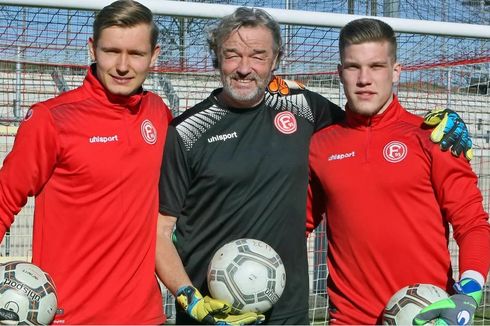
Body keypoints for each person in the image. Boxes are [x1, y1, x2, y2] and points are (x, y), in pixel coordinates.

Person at [155, 7, 473, 325]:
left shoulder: (306, 109)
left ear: (276, 59)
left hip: (289, 313)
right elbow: (159, 230)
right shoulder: (185, 131)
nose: (244, 68)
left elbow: (365, 128)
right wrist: (189, 298)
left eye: (258, 55)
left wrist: (439, 123)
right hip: (213, 312)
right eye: (232, 55)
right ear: (216, 57)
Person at [306, 18, 490, 325]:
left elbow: (472, 223)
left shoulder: (432, 137)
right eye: (353, 67)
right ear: (339, 74)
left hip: (426, 318)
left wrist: (469, 291)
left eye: (376, 66)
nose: (364, 78)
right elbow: (297, 225)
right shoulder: (321, 145)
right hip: (348, 320)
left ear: (396, 71)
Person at [0, 0, 172, 323]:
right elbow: (3, 199)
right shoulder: (51, 120)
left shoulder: (158, 113)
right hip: (72, 316)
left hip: (146, 316)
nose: (123, 65)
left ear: (154, 55)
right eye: (111, 51)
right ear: (92, 50)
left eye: (136, 54)